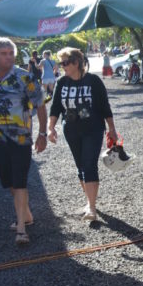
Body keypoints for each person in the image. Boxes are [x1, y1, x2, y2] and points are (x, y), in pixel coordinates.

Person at [0, 37, 48, 245]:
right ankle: (26, 215)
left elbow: (40, 105)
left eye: (11, 53)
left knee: (19, 180)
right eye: (4, 53)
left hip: (21, 139)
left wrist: (43, 133)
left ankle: (21, 229)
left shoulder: (24, 77)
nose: (9, 57)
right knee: (7, 180)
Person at [47, 47, 118, 222]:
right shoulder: (62, 82)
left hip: (93, 129)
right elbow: (55, 107)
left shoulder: (93, 81)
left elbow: (104, 107)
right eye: (61, 63)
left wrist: (112, 129)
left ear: (76, 63)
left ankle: (92, 208)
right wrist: (51, 128)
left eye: (65, 63)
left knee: (89, 165)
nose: (62, 66)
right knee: (80, 167)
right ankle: (89, 201)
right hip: (71, 130)